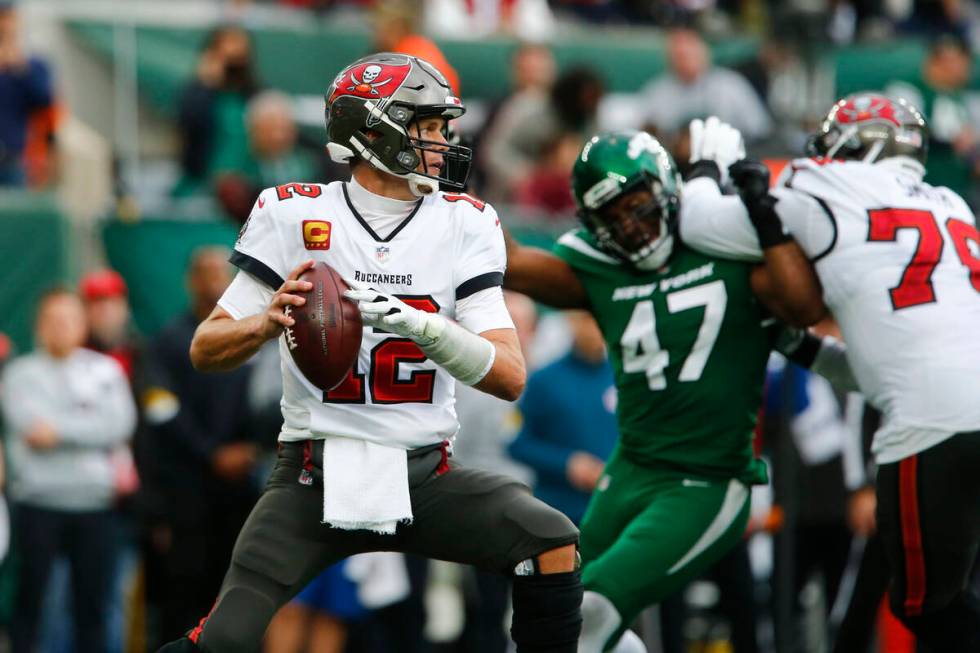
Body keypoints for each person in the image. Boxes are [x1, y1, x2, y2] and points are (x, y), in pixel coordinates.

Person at [155, 52, 582, 653]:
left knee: (551, 541)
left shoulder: (466, 223)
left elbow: (509, 375)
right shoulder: (294, 212)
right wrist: (264, 323)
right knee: (225, 638)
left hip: (424, 472)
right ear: (373, 129)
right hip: (313, 473)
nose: (442, 142)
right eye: (427, 127)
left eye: (442, 127)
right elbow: (205, 346)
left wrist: (422, 326)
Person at [502, 125, 824, 652]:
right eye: (614, 217)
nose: (632, 226)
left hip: (706, 480)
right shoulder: (598, 268)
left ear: (670, 192)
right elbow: (510, 263)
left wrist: (763, 217)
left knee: (595, 608)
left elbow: (804, 306)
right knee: (550, 611)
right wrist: (450, 202)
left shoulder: (726, 249)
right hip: (630, 467)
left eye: (639, 206)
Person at [680, 93, 980, 651]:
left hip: (930, 426)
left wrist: (703, 170)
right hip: (952, 406)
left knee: (924, 606)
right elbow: (891, 362)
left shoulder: (825, 184)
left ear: (849, 144)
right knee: (922, 590)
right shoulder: (950, 203)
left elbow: (696, 225)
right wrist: (804, 349)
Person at [1, 288, 136, 653]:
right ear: (38, 327)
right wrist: (87, 424)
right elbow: (32, 429)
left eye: (68, 320)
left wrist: (59, 431)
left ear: (82, 324)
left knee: (93, 608)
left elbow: (119, 424)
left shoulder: (106, 370)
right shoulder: (18, 375)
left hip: (96, 507)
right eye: (52, 320)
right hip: (37, 505)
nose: (60, 328)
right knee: (32, 604)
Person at [140, 247, 262, 648]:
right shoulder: (167, 342)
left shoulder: (250, 338)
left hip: (240, 493)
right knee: (182, 596)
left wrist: (250, 449)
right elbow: (161, 410)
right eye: (204, 273)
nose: (213, 281)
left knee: (233, 594)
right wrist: (212, 453)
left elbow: (265, 402)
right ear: (190, 281)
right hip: (185, 496)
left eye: (220, 273)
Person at [509, 310, 617, 526]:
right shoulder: (544, 380)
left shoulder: (622, 376)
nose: (594, 328)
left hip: (614, 509)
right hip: (561, 514)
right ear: (571, 319)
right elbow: (517, 443)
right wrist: (567, 463)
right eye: (587, 319)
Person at [640, 28, 770, 144]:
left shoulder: (731, 85)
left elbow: (760, 129)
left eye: (690, 54)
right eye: (680, 56)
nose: (685, 61)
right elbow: (644, 133)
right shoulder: (657, 90)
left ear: (704, 54)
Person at [0, 0, 53, 186]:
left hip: (13, 160)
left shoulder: (33, 65)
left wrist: (18, 66)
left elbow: (44, 100)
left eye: (8, 17)